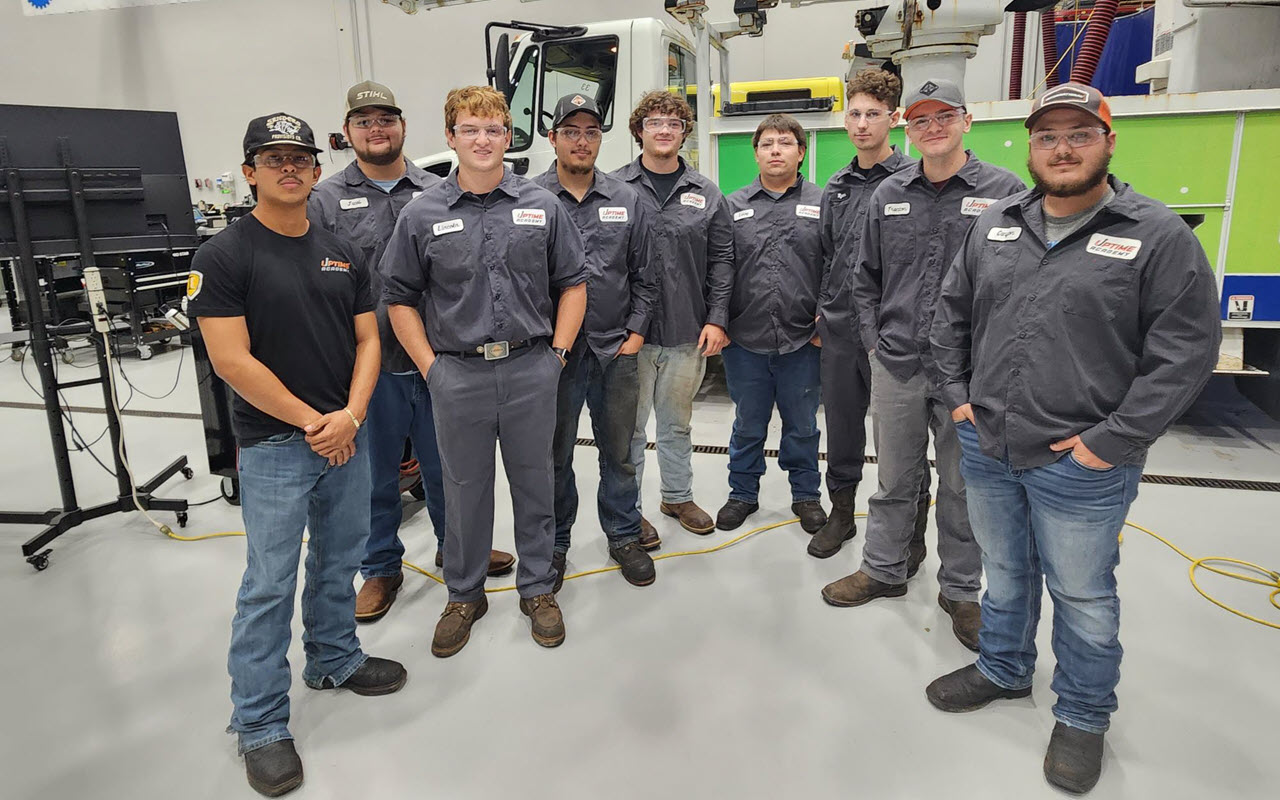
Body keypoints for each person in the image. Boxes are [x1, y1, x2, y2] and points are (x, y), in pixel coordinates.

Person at [925, 83, 1221, 794]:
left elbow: (1184, 352)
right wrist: (961, 401)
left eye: (1079, 135)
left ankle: (1084, 716)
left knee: (1084, 596)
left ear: (1109, 143)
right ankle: (1003, 667)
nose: (1062, 149)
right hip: (990, 445)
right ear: (1029, 148)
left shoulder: (1156, 236)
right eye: (1047, 136)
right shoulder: (995, 222)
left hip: (1083, 463)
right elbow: (951, 315)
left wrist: (1113, 441)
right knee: (1006, 571)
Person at [190, 113, 405, 797]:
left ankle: (334, 659)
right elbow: (230, 360)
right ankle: (258, 723)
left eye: (301, 159)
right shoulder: (222, 256)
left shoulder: (342, 249)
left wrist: (352, 415)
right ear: (250, 171)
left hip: (344, 434)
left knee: (340, 559)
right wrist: (319, 421)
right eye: (273, 158)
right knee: (267, 585)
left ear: (316, 172)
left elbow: (369, 340)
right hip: (279, 444)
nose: (289, 168)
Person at [381, 86, 587, 657]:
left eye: (493, 130)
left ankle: (539, 588)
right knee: (464, 488)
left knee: (535, 482)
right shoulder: (422, 214)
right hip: (458, 375)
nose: (482, 140)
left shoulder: (542, 206)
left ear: (507, 137)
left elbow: (573, 283)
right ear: (450, 137)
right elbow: (399, 297)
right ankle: (465, 595)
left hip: (531, 368)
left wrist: (558, 357)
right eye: (470, 129)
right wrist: (430, 368)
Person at [822, 79, 1025, 652]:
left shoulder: (1004, 192)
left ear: (967, 122)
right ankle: (884, 569)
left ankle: (961, 591)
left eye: (944, 118)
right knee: (894, 478)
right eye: (921, 121)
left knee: (963, 486)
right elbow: (864, 276)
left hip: (970, 374)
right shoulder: (889, 193)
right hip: (899, 362)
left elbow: (1017, 281)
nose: (932, 129)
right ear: (907, 129)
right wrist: (873, 339)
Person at [309, 81, 514, 624]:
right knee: (374, 473)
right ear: (347, 132)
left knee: (450, 467)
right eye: (364, 122)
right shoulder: (325, 200)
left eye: (387, 120)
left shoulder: (436, 191)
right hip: (369, 368)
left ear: (403, 127)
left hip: (439, 358)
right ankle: (380, 567)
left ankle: (457, 550)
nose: (377, 130)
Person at [534, 94, 659, 589]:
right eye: (571, 132)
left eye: (590, 132)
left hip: (615, 351)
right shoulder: (530, 199)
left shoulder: (628, 200)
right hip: (553, 356)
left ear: (600, 139)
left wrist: (635, 334)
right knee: (554, 454)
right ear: (554, 138)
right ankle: (557, 541)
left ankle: (624, 533)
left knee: (620, 450)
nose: (581, 141)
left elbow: (647, 276)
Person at [809, 68, 932, 561]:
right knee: (841, 427)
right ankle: (842, 514)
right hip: (840, 328)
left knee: (899, 439)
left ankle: (911, 531)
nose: (862, 124)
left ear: (894, 119)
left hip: (891, 332)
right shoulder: (836, 186)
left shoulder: (911, 182)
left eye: (873, 115)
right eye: (855, 114)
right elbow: (826, 255)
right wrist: (822, 311)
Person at [614, 90, 734, 547]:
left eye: (673, 123)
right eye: (654, 122)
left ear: (685, 132)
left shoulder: (706, 193)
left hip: (688, 330)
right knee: (630, 429)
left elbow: (723, 258)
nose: (664, 130)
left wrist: (718, 318)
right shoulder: (616, 188)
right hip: (632, 335)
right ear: (638, 130)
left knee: (676, 422)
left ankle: (677, 496)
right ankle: (629, 512)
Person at [715, 114, 826, 533]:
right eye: (766, 144)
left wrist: (824, 323)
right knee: (747, 423)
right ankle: (742, 494)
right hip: (745, 338)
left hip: (803, 339)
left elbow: (834, 265)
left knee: (802, 425)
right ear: (756, 153)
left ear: (801, 151)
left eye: (784, 143)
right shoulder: (733, 204)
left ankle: (806, 495)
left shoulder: (823, 201)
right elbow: (721, 267)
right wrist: (719, 321)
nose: (775, 150)